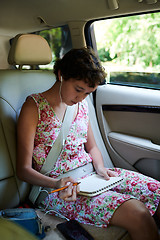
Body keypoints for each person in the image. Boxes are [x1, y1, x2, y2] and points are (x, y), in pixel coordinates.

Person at [17, 47, 160, 240]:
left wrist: (101, 168)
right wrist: (56, 183)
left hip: (92, 177)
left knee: (157, 191)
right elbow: (23, 169)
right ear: (61, 75)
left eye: (87, 93)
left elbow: (92, 147)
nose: (81, 98)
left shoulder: (81, 105)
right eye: (78, 90)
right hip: (58, 190)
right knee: (138, 214)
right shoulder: (33, 107)